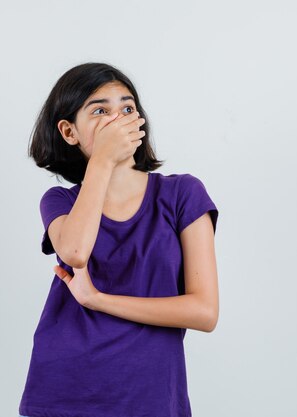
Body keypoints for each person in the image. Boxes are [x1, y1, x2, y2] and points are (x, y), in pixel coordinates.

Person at [18, 62, 219, 417]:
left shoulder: (182, 194)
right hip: (65, 391)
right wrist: (102, 161)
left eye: (127, 108)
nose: (117, 120)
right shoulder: (60, 201)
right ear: (69, 132)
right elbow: (76, 252)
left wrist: (98, 299)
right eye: (100, 111)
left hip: (151, 394)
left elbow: (204, 312)